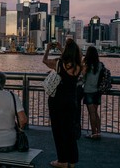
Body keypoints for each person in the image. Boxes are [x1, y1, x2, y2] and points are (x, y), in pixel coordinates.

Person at [43, 38, 82, 168]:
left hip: (57, 101)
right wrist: (62, 49)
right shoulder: (78, 65)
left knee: (58, 131)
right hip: (71, 101)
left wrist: (48, 49)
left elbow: (45, 61)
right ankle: (72, 161)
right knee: (69, 131)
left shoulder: (60, 63)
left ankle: (62, 161)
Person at [82, 46, 102, 140]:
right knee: (95, 113)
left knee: (92, 113)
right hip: (97, 92)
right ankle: (99, 132)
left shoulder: (87, 65)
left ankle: (94, 133)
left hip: (88, 91)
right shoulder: (100, 65)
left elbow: (82, 76)